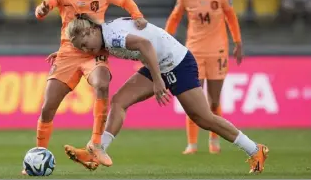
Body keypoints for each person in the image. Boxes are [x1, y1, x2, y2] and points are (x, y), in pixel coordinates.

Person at [64, 15, 269, 174]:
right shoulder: (104, 35)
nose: (86, 49)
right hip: (158, 64)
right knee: (119, 101)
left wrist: (158, 79)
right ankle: (97, 152)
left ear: (91, 29)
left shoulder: (111, 36)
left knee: (204, 118)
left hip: (177, 63)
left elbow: (145, 45)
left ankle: (255, 149)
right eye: (81, 48)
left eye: (84, 43)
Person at [23, 0, 147, 173]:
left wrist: (138, 17)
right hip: (67, 54)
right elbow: (42, 9)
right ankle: (38, 153)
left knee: (102, 84)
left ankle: (96, 144)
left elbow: (126, 1)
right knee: (47, 108)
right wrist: (41, 11)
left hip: (94, 52)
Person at [165, 0, 243, 155]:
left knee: (214, 100)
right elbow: (174, 20)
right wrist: (164, 42)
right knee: (193, 101)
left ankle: (214, 139)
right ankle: (192, 144)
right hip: (193, 53)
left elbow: (231, 18)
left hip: (217, 51)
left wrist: (237, 42)